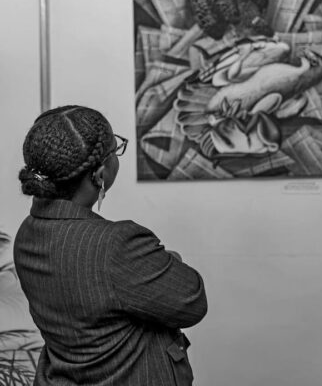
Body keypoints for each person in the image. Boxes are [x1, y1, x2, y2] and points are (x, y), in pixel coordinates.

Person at [14, 105, 208, 386]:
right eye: (115, 150)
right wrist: (169, 258)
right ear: (100, 173)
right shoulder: (116, 245)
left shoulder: (28, 232)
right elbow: (192, 300)